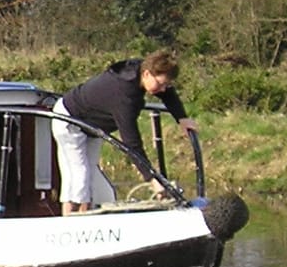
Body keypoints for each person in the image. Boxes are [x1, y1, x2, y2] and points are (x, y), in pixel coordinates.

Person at [53, 49, 197, 212]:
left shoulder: (142, 69)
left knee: (91, 173)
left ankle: (85, 216)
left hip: (92, 124)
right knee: (79, 175)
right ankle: (70, 220)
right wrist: (152, 180)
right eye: (160, 84)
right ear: (147, 74)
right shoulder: (124, 95)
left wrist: (182, 118)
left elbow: (168, 93)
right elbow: (131, 143)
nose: (163, 89)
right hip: (70, 119)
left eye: (166, 85)